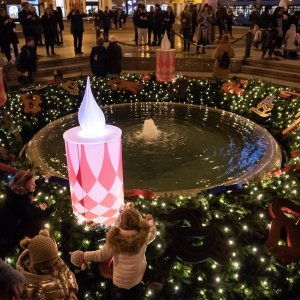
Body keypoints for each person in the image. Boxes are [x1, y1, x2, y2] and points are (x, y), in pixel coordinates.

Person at [71, 203, 156, 300]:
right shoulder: (144, 236)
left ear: (121, 222)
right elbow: (152, 233)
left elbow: (100, 255)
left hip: (120, 281)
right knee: (133, 294)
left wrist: (84, 255)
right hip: (137, 277)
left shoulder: (115, 239)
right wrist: (150, 222)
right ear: (139, 221)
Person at [16, 229, 78, 299]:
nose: (53, 270)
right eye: (46, 268)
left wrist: (71, 291)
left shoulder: (60, 264)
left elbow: (68, 273)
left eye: (55, 263)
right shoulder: (33, 285)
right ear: (35, 266)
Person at [0, 170, 47, 259]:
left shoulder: (17, 191)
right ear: (23, 184)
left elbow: (33, 185)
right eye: (32, 183)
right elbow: (30, 215)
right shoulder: (19, 200)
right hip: (5, 235)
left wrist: (43, 179)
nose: (35, 185)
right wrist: (40, 209)